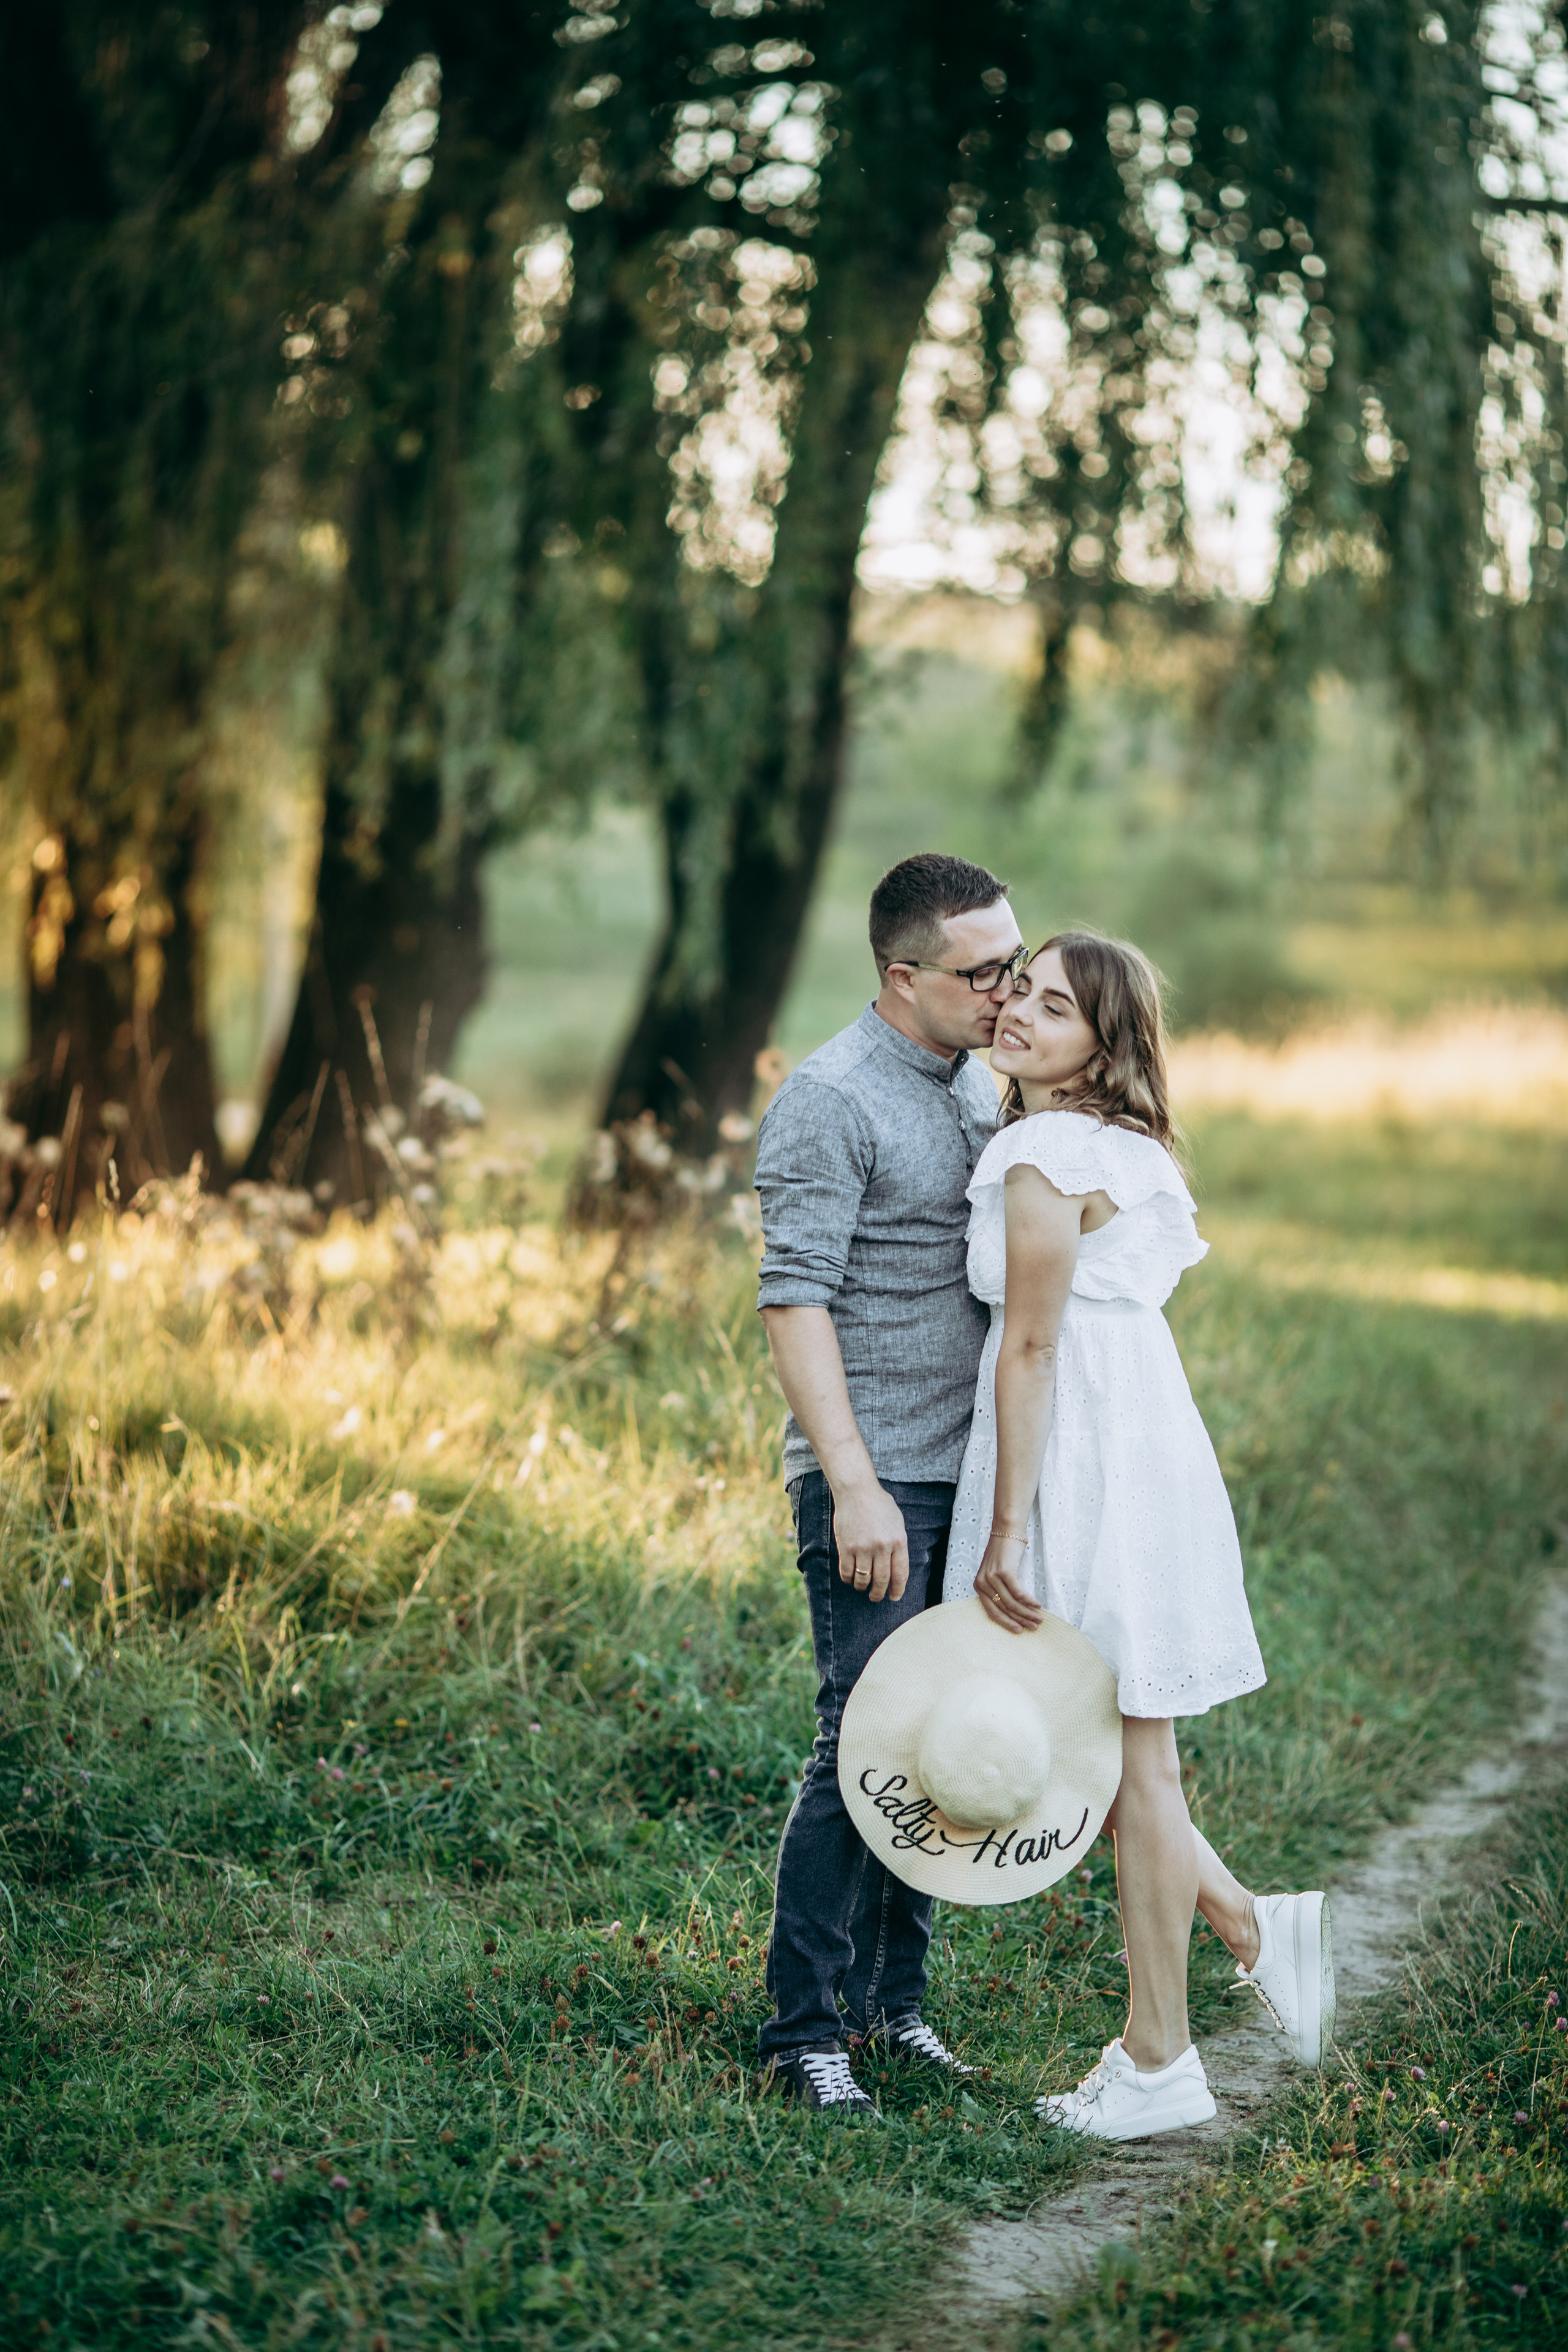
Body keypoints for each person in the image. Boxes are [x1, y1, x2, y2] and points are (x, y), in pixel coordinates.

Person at [943, 930, 1333, 2140]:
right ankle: (1250, 1931)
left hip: (1080, 1455)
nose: (1019, 1016)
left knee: (1126, 1761)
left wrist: (1005, 1529)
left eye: (1054, 1010)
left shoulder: (1042, 1147)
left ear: (1100, 1047)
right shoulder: (1121, 1143)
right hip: (1137, 1435)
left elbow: (1031, 1343)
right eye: (1021, 991)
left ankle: (1161, 2058)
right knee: (1114, 1757)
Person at [752, 851, 1024, 2117]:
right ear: (900, 975)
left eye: (1013, 965)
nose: (1005, 990)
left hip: (968, 1477)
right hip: (879, 1481)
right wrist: (851, 1486)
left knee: (933, 1750)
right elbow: (793, 1298)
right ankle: (801, 2030)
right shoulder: (830, 1098)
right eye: (981, 973)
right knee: (855, 1746)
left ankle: (890, 2009)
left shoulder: (981, 1081)